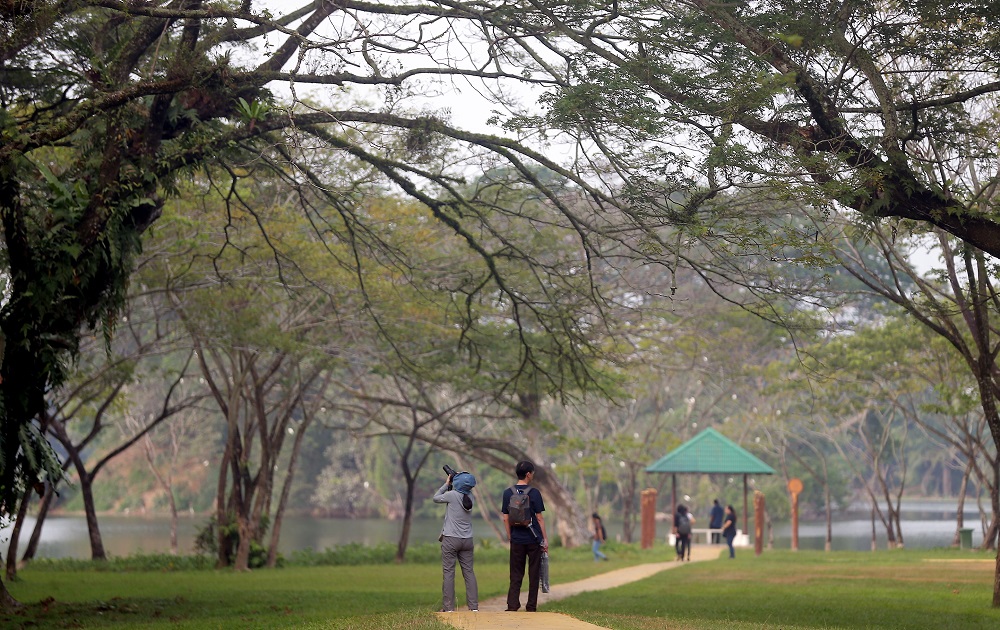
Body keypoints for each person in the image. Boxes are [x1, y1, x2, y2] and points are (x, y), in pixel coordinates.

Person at [501, 460, 548, 612]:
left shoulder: (508, 493)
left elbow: (505, 518)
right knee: (533, 573)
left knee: (515, 573)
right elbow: (539, 518)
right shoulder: (534, 493)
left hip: (517, 540)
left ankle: (512, 605)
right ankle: (531, 606)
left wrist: (510, 536)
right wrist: (544, 539)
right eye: (532, 473)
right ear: (528, 474)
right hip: (533, 539)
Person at [433, 469, 479, 612]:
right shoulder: (471, 497)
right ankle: (474, 607)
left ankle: (449, 608)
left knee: (449, 573)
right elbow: (463, 491)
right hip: (467, 540)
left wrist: (447, 484)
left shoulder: (451, 495)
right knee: (469, 573)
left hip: (451, 539)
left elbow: (436, 497)